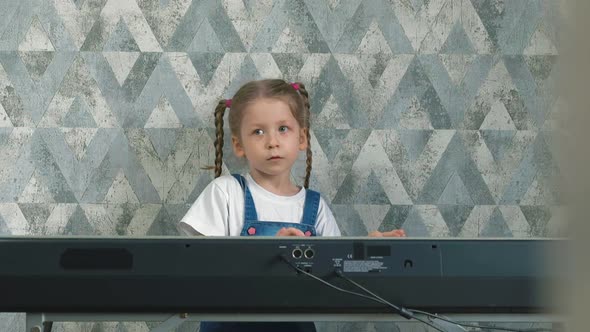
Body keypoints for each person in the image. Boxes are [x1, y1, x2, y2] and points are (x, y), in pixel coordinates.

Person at [179, 79, 404, 332]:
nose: (272, 141)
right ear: (239, 145)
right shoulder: (226, 192)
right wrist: (268, 252)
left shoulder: (315, 207)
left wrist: (365, 251)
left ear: (302, 137)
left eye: (283, 128)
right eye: (258, 132)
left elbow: (336, 278)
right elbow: (198, 266)